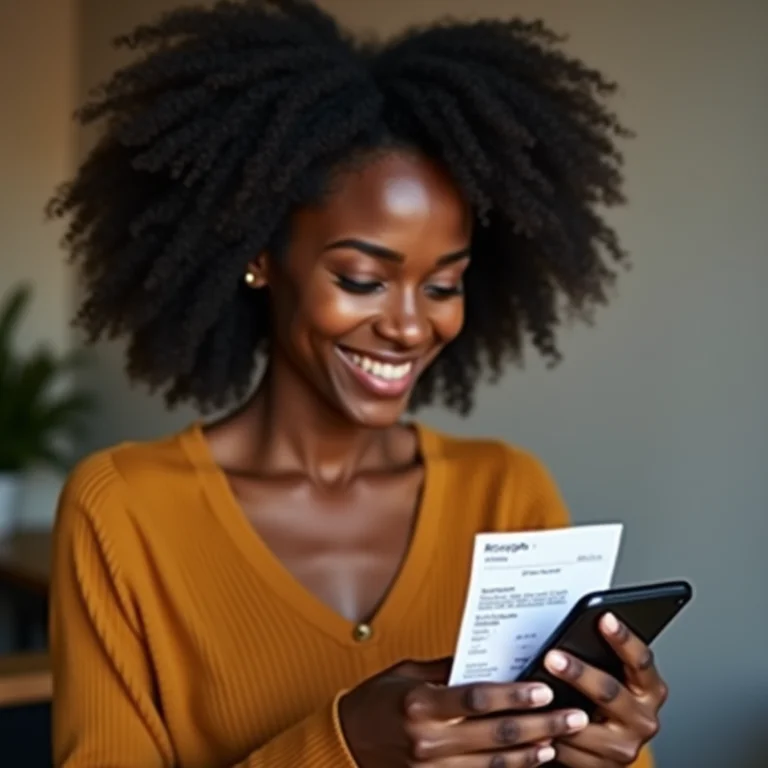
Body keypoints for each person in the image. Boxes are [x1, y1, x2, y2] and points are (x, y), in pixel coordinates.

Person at [46, 1, 665, 766]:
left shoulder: (507, 494)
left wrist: (610, 749)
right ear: (259, 256)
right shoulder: (124, 513)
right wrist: (346, 747)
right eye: (363, 278)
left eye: (443, 286)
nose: (410, 326)